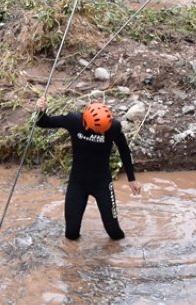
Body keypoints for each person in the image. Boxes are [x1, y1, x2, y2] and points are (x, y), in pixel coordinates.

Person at [35, 96, 141, 241]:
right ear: (86, 123)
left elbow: (124, 151)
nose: (100, 133)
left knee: (114, 232)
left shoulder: (114, 127)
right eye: (97, 130)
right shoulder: (73, 120)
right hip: (78, 183)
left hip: (102, 183)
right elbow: (42, 122)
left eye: (103, 131)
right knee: (71, 234)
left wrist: (132, 179)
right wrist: (41, 110)